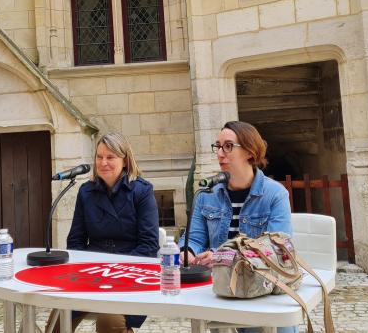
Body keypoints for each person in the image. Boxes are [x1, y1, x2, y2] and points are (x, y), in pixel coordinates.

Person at [181, 121, 296, 333]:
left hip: (264, 288)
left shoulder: (275, 194)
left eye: (228, 146)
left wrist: (218, 256)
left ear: (250, 153)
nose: (220, 153)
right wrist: (186, 251)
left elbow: (275, 249)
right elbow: (195, 238)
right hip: (222, 288)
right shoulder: (207, 195)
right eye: (218, 146)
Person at [50, 132, 159, 333]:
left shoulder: (142, 191)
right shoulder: (86, 192)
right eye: (99, 157)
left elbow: (149, 246)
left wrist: (115, 271)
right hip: (91, 273)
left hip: (129, 275)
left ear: (125, 160)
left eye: (110, 157)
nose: (103, 162)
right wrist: (87, 270)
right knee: (57, 320)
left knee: (109, 320)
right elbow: (75, 240)